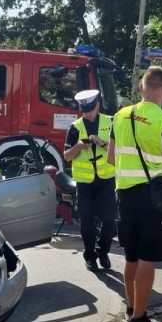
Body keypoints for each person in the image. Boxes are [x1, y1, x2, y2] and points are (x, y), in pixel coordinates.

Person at [107, 66, 162, 322]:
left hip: (124, 195)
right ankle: (139, 321)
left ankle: (133, 308)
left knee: (130, 256)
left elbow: (111, 159)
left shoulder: (119, 116)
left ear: (141, 88)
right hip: (153, 198)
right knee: (147, 259)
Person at [64, 90, 117, 272]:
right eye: (83, 111)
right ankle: (90, 256)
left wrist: (102, 143)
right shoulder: (75, 127)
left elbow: (120, 151)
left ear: (97, 105)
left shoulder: (111, 123)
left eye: (90, 110)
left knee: (109, 221)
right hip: (85, 183)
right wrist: (79, 145)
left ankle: (103, 252)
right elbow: (67, 157)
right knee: (86, 223)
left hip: (106, 181)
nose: (87, 114)